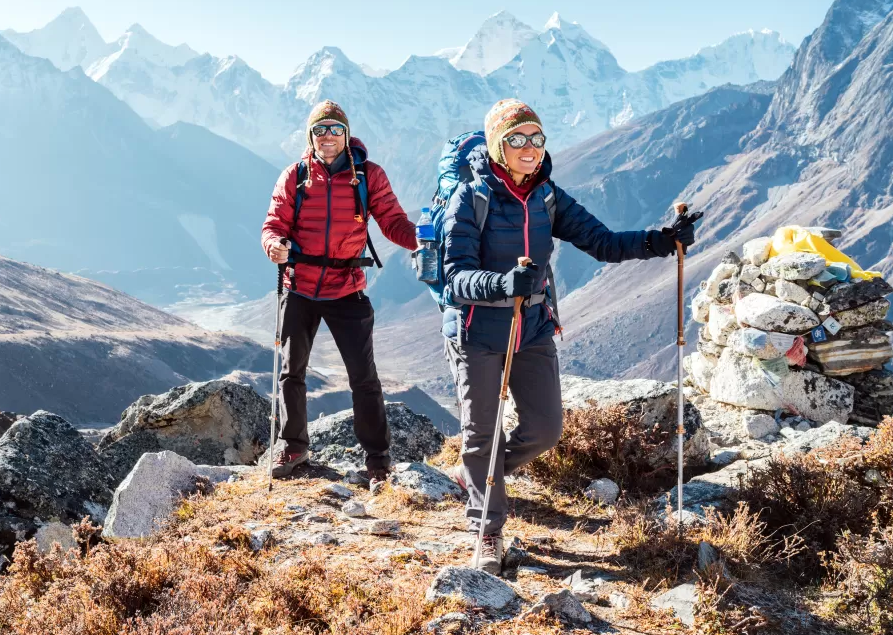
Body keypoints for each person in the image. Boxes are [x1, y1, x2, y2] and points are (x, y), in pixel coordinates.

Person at [442, 98, 698, 574]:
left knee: (545, 429)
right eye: (518, 139)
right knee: (483, 434)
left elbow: (601, 241)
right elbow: (454, 276)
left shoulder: (547, 196)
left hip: (533, 327)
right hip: (479, 332)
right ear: (499, 146)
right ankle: (488, 531)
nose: (530, 148)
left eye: (537, 138)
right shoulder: (471, 199)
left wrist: (659, 241)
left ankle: (477, 475)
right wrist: (501, 284)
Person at [262, 99, 418, 481]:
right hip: (298, 285)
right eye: (320, 129)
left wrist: (423, 241)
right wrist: (274, 245)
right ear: (310, 136)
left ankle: (378, 460)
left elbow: (393, 221)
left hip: (346, 287)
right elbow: (274, 223)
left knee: (363, 377)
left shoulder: (368, 176)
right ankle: (294, 447)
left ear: (346, 135)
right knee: (290, 372)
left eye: (334, 129)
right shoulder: (295, 176)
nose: (327, 136)